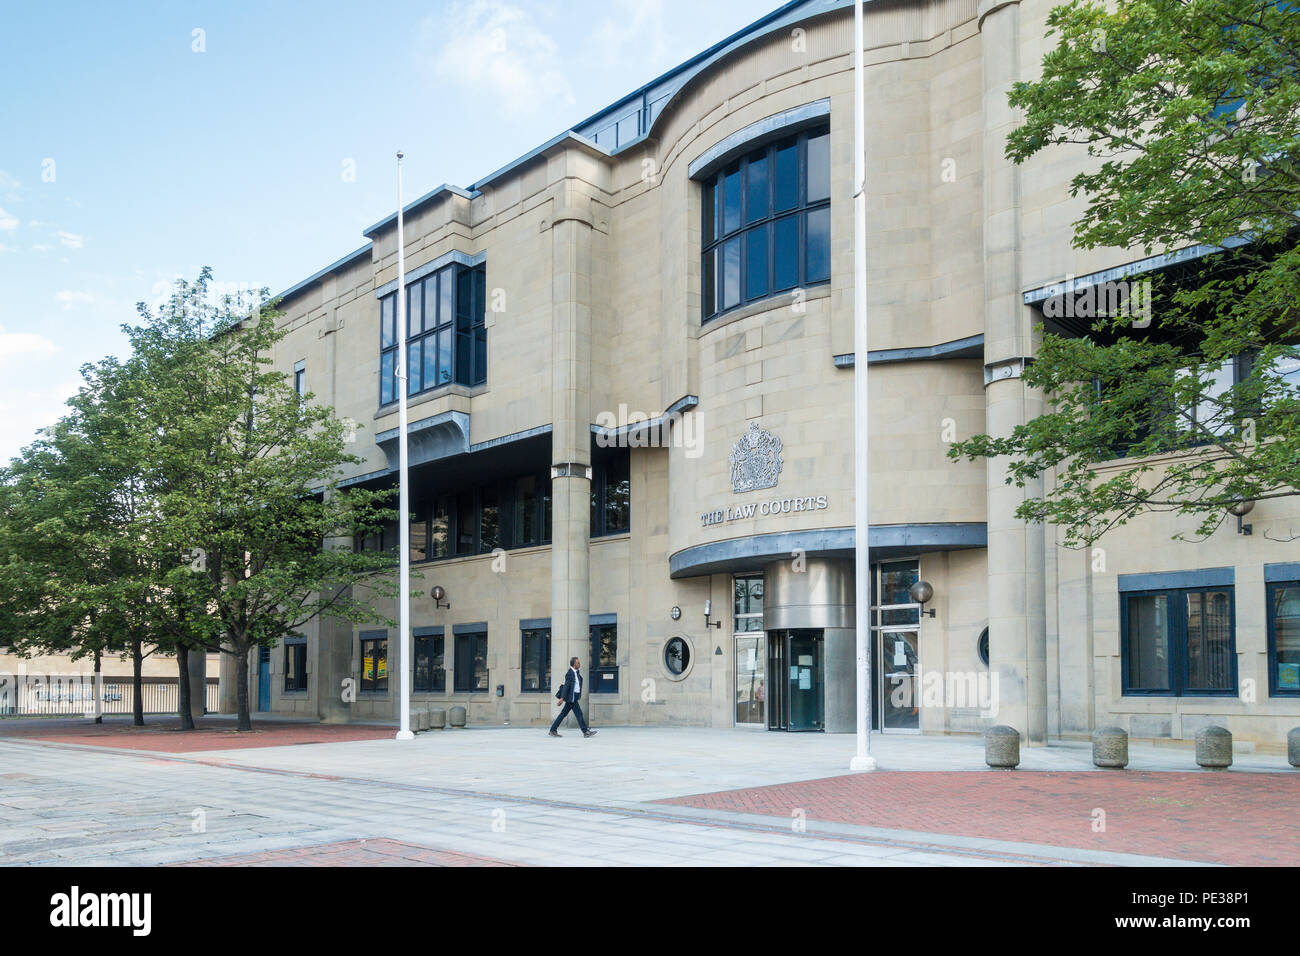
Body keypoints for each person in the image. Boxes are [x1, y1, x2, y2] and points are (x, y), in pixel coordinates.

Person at [549, 656, 596, 738]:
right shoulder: (570, 673)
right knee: (579, 714)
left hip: (575, 696)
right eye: (578, 663)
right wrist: (562, 698)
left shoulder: (576, 672)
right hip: (572, 697)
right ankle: (585, 731)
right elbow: (566, 686)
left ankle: (553, 730)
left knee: (563, 714)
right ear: (574, 664)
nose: (579, 664)